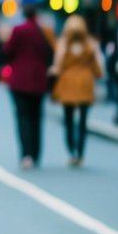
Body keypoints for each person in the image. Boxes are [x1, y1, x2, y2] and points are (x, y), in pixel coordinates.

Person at [2, 4, 54, 169]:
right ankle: (36, 153)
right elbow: (49, 52)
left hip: (19, 80)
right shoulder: (43, 31)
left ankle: (26, 154)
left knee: (22, 117)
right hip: (38, 80)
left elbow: (8, 51)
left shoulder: (18, 30)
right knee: (37, 117)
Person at [50, 14, 104, 166]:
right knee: (82, 121)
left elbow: (58, 66)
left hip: (67, 84)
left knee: (68, 120)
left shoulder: (63, 46)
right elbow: (98, 69)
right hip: (85, 84)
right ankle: (80, 152)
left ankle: (71, 149)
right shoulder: (90, 45)